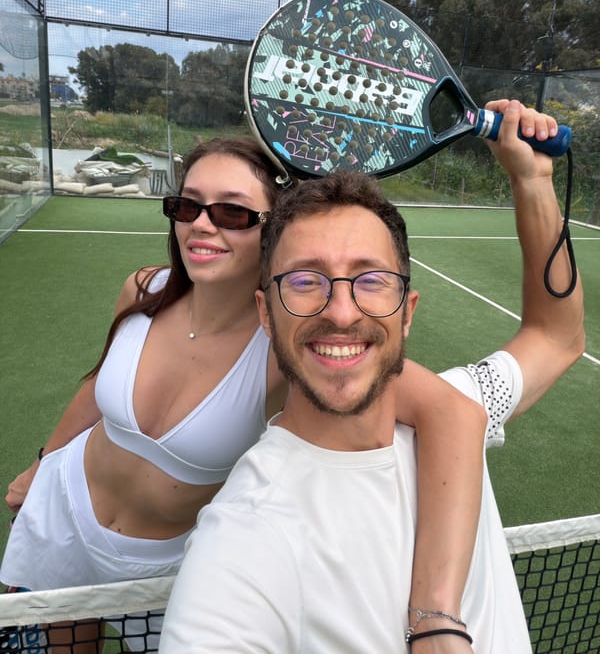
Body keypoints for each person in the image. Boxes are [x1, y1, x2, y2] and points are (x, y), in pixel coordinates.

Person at [1, 135, 488, 653]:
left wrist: (436, 615)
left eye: (232, 212)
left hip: (165, 565)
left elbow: (453, 412)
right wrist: (43, 461)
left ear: (272, 230)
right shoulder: (143, 288)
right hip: (65, 509)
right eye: (186, 205)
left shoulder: (290, 348)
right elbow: (99, 382)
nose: (201, 224)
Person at [157, 100, 585, 654]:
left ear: (406, 311)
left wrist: (532, 178)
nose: (340, 311)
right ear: (266, 312)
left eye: (370, 279)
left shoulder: (462, 401)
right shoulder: (243, 538)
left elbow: (558, 336)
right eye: (306, 281)